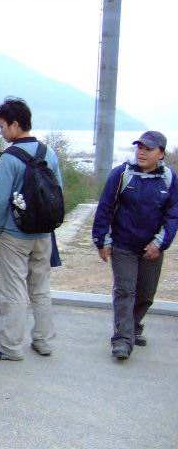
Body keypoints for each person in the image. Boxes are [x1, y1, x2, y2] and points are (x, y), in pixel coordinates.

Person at [0, 98, 62, 361]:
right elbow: (58, 191)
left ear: (15, 124)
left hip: (15, 234)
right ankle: (43, 341)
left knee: (12, 289)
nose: (1, 132)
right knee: (41, 287)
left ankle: (10, 346)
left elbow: (1, 201)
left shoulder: (10, 157)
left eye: (2, 126)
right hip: (44, 233)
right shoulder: (49, 152)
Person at [92, 131, 177, 360]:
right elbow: (105, 207)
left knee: (146, 294)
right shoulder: (121, 174)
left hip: (152, 248)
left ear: (161, 154)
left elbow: (173, 215)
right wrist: (101, 240)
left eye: (148, 149)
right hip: (123, 245)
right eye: (139, 147)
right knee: (125, 291)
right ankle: (122, 340)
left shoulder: (169, 179)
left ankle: (133, 325)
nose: (142, 152)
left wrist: (160, 243)